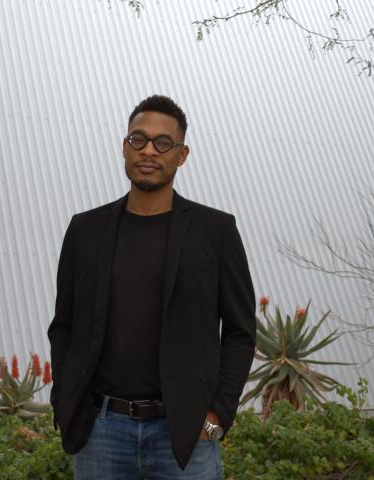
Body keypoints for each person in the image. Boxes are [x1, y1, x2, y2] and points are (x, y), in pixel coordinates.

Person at [47, 95, 256, 479]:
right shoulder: (85, 231)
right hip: (102, 431)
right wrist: (64, 404)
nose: (149, 151)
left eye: (163, 143)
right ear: (124, 148)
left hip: (184, 435)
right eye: (138, 139)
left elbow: (241, 333)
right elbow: (64, 327)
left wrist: (216, 416)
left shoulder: (216, 231)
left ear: (182, 155)